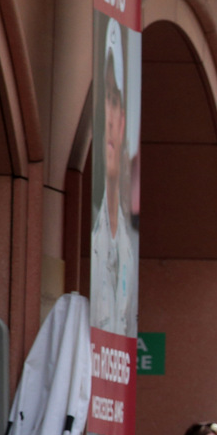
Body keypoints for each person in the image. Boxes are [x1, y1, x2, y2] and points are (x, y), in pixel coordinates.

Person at [90, 17, 138, 337]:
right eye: (105, 97)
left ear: (122, 122)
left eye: (115, 99)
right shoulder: (95, 234)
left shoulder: (128, 250)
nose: (109, 115)